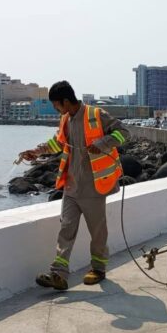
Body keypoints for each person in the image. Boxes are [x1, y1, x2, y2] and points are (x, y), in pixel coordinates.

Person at [18, 81, 130, 291]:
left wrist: (103, 143)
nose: (56, 109)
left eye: (56, 105)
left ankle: (98, 269)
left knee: (98, 232)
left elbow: (124, 133)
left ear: (66, 101)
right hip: (71, 186)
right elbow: (58, 143)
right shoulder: (65, 120)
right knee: (66, 229)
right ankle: (58, 274)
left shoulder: (97, 115)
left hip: (95, 187)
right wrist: (37, 151)